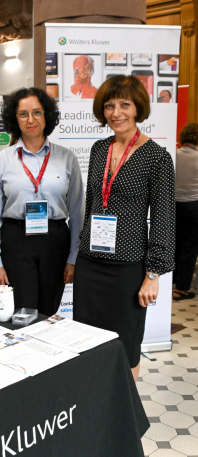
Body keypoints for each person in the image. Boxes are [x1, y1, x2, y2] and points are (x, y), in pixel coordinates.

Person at [73, 75, 175, 382]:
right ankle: (93, 409)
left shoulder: (156, 157)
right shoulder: (98, 150)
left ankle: (121, 419)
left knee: (126, 346)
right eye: (109, 105)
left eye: (125, 105)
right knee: (89, 344)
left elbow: (164, 218)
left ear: (138, 108)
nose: (116, 113)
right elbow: (92, 204)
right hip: (90, 265)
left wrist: (153, 274)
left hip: (128, 268)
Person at [0, 87, 84, 316]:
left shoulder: (67, 158)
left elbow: (78, 211)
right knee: (21, 311)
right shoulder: (1, 161)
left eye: (37, 112)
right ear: (14, 119)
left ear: (46, 115)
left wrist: (73, 257)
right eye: (23, 114)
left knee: (48, 310)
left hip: (55, 241)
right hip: (16, 240)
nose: (31, 120)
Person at [173, 123, 198, 300]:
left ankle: (170, 283)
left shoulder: (174, 155)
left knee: (174, 246)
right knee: (189, 249)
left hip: (174, 206)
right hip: (194, 206)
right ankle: (181, 289)